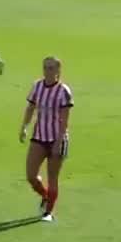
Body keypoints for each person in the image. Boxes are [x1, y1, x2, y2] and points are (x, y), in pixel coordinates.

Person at [20, 57, 74, 222]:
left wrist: (58, 142)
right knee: (31, 175)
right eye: (45, 68)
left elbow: (64, 119)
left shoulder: (63, 91)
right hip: (39, 136)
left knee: (52, 177)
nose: (47, 71)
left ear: (58, 70)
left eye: (51, 68)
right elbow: (31, 107)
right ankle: (45, 196)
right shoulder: (37, 86)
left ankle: (48, 212)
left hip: (57, 138)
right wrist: (24, 126)